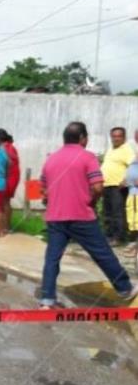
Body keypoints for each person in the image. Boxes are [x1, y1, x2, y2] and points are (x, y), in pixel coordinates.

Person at [40, 121, 138, 308]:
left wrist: (54, 200)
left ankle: (47, 299)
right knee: (102, 253)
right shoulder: (87, 157)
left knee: (52, 258)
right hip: (81, 215)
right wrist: (91, 201)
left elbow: (44, 190)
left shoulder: (51, 159)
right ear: (83, 138)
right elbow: (97, 186)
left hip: (55, 217)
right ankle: (124, 288)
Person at [101, 127, 134, 246]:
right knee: (107, 212)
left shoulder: (126, 150)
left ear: (124, 137)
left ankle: (118, 238)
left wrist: (126, 180)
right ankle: (108, 236)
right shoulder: (111, 149)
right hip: (107, 185)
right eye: (113, 136)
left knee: (117, 213)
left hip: (118, 187)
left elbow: (134, 166)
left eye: (118, 136)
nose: (115, 139)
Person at [0, 129, 21, 234]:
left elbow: (8, 163)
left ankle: (4, 227)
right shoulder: (11, 147)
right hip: (13, 176)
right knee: (6, 202)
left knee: (3, 202)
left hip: (8, 176)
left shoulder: (3, 148)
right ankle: (6, 226)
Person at [124, 154, 138, 258]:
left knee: (136, 221)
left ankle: (135, 246)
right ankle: (134, 245)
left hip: (136, 195)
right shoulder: (133, 163)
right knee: (132, 220)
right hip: (132, 194)